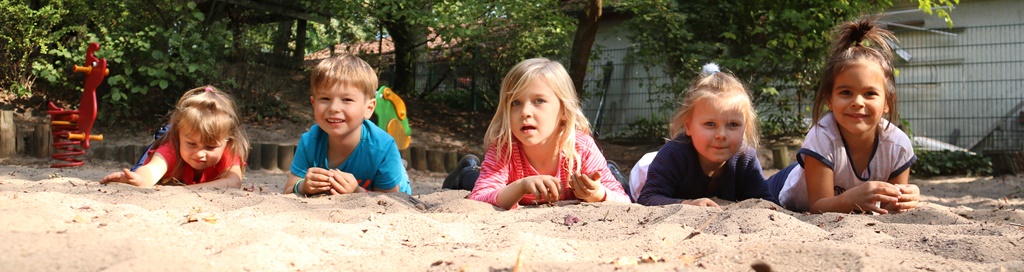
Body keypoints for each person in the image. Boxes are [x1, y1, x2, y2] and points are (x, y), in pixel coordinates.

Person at [767, 17, 920, 214]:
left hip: (820, 176)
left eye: (870, 93)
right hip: (782, 189)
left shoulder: (897, 145)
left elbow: (891, 209)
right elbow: (818, 205)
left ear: (887, 103)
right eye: (846, 92)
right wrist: (851, 199)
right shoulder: (822, 136)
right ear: (829, 99)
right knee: (746, 188)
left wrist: (907, 198)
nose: (858, 102)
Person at [462, 58, 630, 210]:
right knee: (469, 180)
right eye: (515, 102)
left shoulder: (581, 147)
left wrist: (597, 194)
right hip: (493, 179)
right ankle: (466, 170)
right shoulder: (504, 148)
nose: (525, 112)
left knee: (611, 182)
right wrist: (521, 186)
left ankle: (612, 170)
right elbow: (479, 197)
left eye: (539, 101)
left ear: (564, 109)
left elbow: (624, 201)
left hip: (595, 169)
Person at [636, 63, 771, 206]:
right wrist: (688, 203)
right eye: (710, 124)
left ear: (745, 127)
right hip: (645, 172)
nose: (721, 135)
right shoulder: (673, 154)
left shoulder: (746, 158)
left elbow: (765, 201)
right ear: (688, 126)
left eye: (733, 125)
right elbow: (647, 198)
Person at [283, 55, 411, 196]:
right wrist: (302, 187)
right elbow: (288, 190)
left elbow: (391, 199)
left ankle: (399, 167)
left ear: (368, 108)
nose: (334, 108)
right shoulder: (309, 142)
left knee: (393, 168)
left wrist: (357, 191)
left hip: (394, 188)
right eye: (325, 98)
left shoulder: (382, 147)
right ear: (314, 103)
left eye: (347, 99)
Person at [102, 86, 249, 188]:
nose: (199, 153)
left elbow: (234, 182)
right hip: (168, 141)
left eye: (210, 147)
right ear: (179, 137)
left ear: (227, 141)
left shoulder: (229, 150)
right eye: (192, 144)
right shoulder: (172, 148)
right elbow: (151, 171)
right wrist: (138, 179)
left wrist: (186, 191)